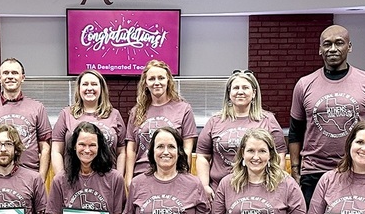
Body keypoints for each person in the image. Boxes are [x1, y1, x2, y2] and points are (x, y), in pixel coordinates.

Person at [289, 25, 365, 206]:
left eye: (339, 43)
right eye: (327, 44)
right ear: (320, 49)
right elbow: (296, 132)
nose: (333, 49)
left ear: (349, 47)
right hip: (314, 172)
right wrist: (296, 170)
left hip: (358, 169)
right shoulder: (304, 84)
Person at [196, 70, 286, 200]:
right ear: (229, 93)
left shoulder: (268, 120)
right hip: (220, 192)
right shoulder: (214, 121)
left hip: (259, 190)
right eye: (236, 88)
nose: (240, 91)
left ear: (254, 93)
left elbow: (279, 156)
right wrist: (204, 185)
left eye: (245, 88)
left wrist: (275, 184)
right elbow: (203, 156)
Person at [0, 57, 52, 179]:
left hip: (29, 176)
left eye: (14, 73)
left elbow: (45, 147)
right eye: (5, 73)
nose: (10, 76)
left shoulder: (37, 108)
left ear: (22, 78)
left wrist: (40, 178)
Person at [125, 59, 198, 189]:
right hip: (142, 175)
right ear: (145, 83)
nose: (157, 82)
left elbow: (187, 148)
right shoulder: (136, 111)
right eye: (152, 79)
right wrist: (128, 179)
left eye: (161, 78)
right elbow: (131, 149)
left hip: (173, 175)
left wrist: (183, 174)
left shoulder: (183, 109)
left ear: (168, 81)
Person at [52, 69, 126, 176]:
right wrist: (61, 179)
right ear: (79, 88)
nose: (89, 88)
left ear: (101, 88)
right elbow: (56, 151)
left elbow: (122, 152)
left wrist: (118, 177)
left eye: (94, 84)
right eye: (85, 84)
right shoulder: (66, 114)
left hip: (107, 182)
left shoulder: (114, 114)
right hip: (73, 181)